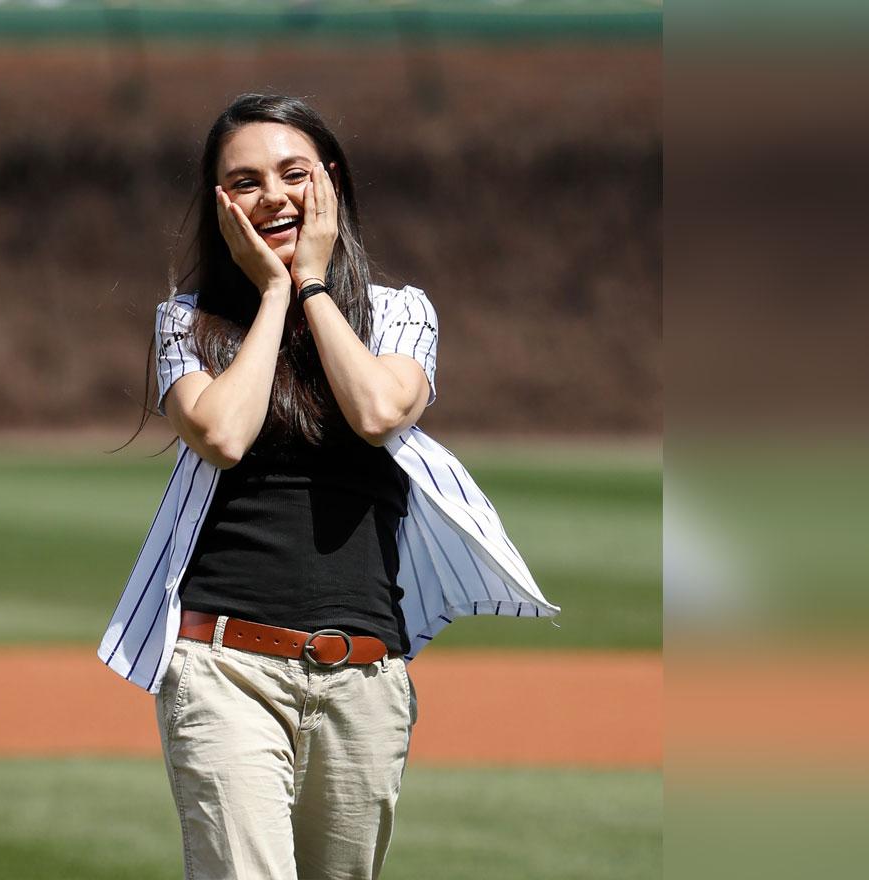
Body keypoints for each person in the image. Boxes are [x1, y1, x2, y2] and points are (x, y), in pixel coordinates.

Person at [99, 94, 559, 880]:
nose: (271, 195)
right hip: (225, 670)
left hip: (365, 678)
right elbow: (222, 433)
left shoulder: (399, 314)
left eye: (292, 173)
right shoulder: (186, 323)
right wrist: (273, 294)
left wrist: (311, 285)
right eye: (243, 182)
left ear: (331, 184)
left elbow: (378, 410)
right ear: (219, 206)